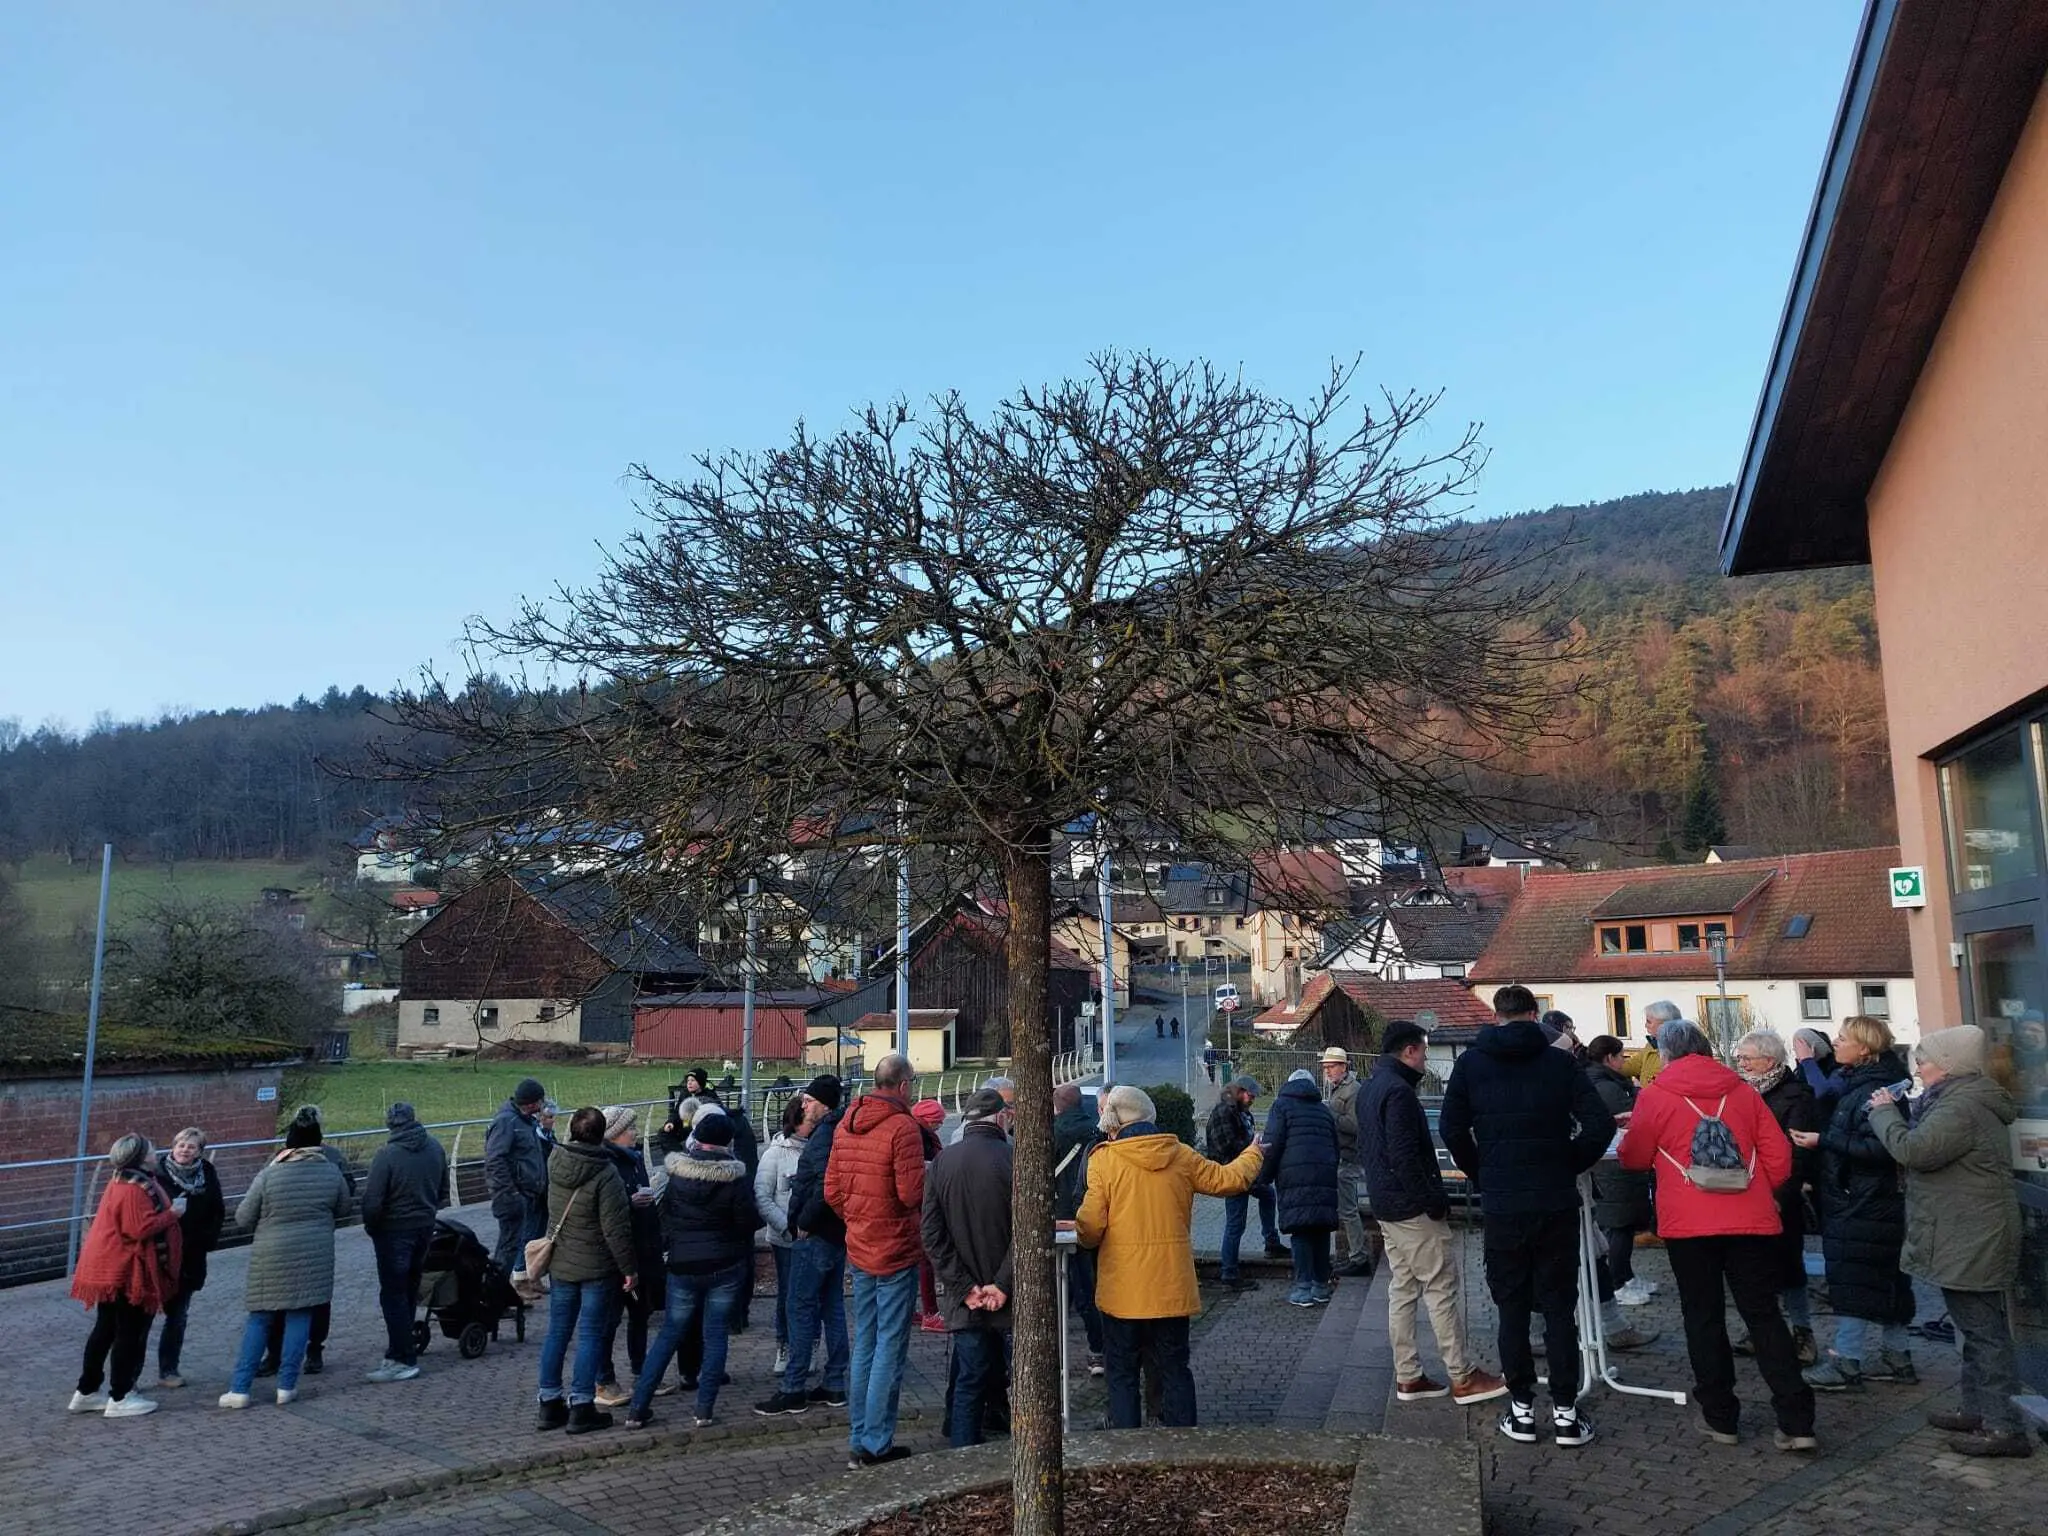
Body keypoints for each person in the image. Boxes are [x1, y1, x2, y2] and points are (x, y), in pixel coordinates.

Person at [1618, 1020, 1816, 1453]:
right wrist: (1762, 1191)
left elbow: (1633, 1157)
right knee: (1764, 1315)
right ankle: (1797, 1419)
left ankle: (1721, 1416)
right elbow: (1779, 1156)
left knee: (1703, 1318)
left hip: (1689, 1224)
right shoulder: (1743, 1091)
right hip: (1750, 1219)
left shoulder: (1656, 1095)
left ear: (1666, 1054)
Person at [1439, 984, 1614, 1449]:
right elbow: (1600, 1124)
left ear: (1496, 1016)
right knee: (1559, 1307)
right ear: (1536, 1014)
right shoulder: (1560, 1063)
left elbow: (1451, 1127)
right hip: (1554, 1199)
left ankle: (1520, 1409)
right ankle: (1565, 1413)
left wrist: (1482, 1172)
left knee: (1511, 1307)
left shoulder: (1471, 1063)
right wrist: (1568, 1161)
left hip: (1503, 1203)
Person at [1868, 1025, 2032, 1458]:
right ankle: (1979, 1410)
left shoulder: (1961, 1106)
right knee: (1974, 1329)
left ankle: (2003, 1425)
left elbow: (1916, 1151)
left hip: (1972, 1232)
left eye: (1924, 1060)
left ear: (1949, 1065)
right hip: (1966, 1229)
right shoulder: (1960, 1099)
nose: (1918, 1068)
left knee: (1984, 1333)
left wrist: (1884, 1112)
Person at [1075, 1085, 1263, 1429]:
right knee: (1174, 1367)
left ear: (1115, 1122)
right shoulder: (1180, 1154)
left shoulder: (1104, 1160)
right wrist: (1252, 1154)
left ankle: (1125, 1446)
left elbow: (1089, 1227)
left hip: (1123, 1292)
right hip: (1171, 1288)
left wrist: (1081, 1233)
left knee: (1122, 1373)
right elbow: (1229, 1180)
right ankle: (1180, 1445)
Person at [1358, 1022, 1507, 1406]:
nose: (1426, 1058)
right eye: (1423, 1050)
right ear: (1408, 1051)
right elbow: (1405, 1156)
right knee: (1441, 1287)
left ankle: (1408, 1375)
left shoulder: (1370, 1087)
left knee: (1403, 1289)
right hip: (1411, 1209)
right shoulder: (1399, 1093)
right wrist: (1432, 1201)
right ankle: (1463, 1376)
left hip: (1385, 1205)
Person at [1792, 1014, 1916, 1392]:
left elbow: (1882, 1148)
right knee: (1885, 1277)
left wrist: (1823, 1142)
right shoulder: (1862, 1083)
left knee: (1853, 1279)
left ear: (1863, 1048)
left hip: (1862, 1199)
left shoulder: (1873, 1091)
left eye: (1843, 1037)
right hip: (1867, 1198)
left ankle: (1847, 1362)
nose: (1836, 1041)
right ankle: (1897, 1356)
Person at [626, 1108, 761, 1429]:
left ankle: (637, 1407)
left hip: (683, 1264)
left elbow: (666, 1216)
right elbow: (748, 1222)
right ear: (727, 1141)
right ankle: (704, 1409)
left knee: (669, 1333)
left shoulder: (677, 1174)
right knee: (715, 1336)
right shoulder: (736, 1177)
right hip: (724, 1265)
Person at [824, 1052, 927, 1468]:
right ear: (903, 1085)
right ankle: (876, 1441)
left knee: (864, 1341)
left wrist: (858, 1218)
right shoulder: (904, 1127)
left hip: (860, 1245)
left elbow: (831, 1190)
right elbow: (911, 1194)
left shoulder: (846, 1123)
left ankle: (859, 1436)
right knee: (889, 1345)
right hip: (895, 1247)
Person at [220, 1126, 349, 1409]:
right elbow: (344, 1209)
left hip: (271, 1255)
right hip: (315, 1255)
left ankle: (240, 1389)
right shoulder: (331, 1172)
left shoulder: (270, 1173)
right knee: (300, 1317)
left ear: (289, 1146)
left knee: (260, 1319)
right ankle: (286, 1387)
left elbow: (243, 1217)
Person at [533, 1107, 638, 1434]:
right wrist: (629, 1269)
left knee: (558, 1331)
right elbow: (615, 1229)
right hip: (595, 1266)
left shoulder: (555, 1161)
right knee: (591, 1333)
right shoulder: (605, 1174)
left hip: (562, 1262)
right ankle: (581, 1405)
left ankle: (549, 1403)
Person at [753, 1075, 852, 1418]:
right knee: (831, 1306)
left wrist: (804, 1223)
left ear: (821, 1103)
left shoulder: (826, 1134)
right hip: (835, 1233)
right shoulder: (840, 1129)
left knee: (800, 1306)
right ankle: (835, 1384)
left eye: (808, 1099)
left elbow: (824, 1182)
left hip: (816, 1235)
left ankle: (793, 1387)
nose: (803, 1104)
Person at [923, 1087, 1015, 1447]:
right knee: (1020, 1378)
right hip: (1011, 1297)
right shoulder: (1014, 1159)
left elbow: (931, 1234)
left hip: (967, 1300)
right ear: (1001, 1118)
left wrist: (964, 1287)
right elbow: (1028, 1232)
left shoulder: (943, 1161)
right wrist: (1002, 1284)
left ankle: (962, 1458)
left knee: (968, 1381)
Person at [68, 1133, 184, 1419]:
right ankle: (120, 1395)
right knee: (128, 1332)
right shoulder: (134, 1187)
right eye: (151, 1149)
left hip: (108, 1264)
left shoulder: (120, 1180)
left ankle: (86, 1391)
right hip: (125, 1269)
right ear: (140, 1157)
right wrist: (174, 1213)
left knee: (105, 1329)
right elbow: (138, 1229)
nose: (156, 1152)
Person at [1732, 1030, 1820, 1365]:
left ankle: (1802, 1333)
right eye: (1740, 1058)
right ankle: (1763, 1329)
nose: (1741, 1064)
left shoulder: (1796, 1096)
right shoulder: (1741, 1092)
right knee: (1753, 1267)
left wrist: (1782, 1193)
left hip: (1780, 1193)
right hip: (1746, 1191)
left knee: (1789, 1267)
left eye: (1746, 1059)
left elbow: (1797, 1152)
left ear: (1768, 1061)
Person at [259, 1106, 356, 1377]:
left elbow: (258, 1199)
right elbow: (347, 1196)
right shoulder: (333, 1158)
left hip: (280, 1241)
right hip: (318, 1238)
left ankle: (277, 1354)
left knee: (278, 1298)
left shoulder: (276, 1161)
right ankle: (312, 1350)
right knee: (317, 1296)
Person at [360, 1102, 449, 1383]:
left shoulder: (387, 1156)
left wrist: (373, 1227)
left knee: (393, 1294)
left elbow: (372, 1201)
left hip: (393, 1231)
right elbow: (443, 1190)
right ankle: (402, 1348)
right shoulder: (435, 1148)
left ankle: (402, 1356)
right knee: (409, 1290)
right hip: (424, 1226)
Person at [594, 1105, 664, 1407]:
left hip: (643, 1250)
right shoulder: (604, 1164)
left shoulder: (635, 1160)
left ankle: (642, 1371)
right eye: (629, 1129)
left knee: (641, 1314)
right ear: (613, 1135)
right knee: (608, 1321)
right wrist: (629, 1202)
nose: (635, 1133)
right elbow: (604, 1212)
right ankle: (604, 1380)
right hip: (616, 1256)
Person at [1582, 1036, 1657, 1308]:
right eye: (1621, 1055)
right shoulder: (1605, 1087)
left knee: (1624, 1223)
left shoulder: (1609, 1082)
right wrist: (1637, 1095)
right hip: (1611, 1163)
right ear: (1608, 1058)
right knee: (1618, 1226)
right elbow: (1633, 1112)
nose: (1624, 1060)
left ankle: (1625, 1276)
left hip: (1619, 1161)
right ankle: (1617, 1282)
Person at [151, 1125, 224, 1390]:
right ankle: (130, 1376)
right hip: (160, 1256)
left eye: (191, 1147)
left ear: (199, 1152)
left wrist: (206, 1240)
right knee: (143, 1316)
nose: (184, 1150)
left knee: (178, 1316)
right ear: (172, 1146)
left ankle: (168, 1368)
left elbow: (217, 1209)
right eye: (181, 1144)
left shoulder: (207, 1173)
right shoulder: (156, 1174)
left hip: (191, 1256)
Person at [1260, 1068, 1341, 1306]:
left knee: (1301, 1230)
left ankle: (1303, 1287)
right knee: (1321, 1230)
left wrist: (1263, 1176)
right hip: (1324, 1175)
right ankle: (1321, 1286)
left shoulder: (1281, 1106)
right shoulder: (1324, 1110)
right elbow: (1335, 1147)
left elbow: (1272, 1143)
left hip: (1294, 1175)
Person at [1207, 1075, 1285, 1290]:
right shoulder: (1224, 1112)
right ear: (1240, 1092)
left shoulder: (1238, 1111)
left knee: (1267, 1195)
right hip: (1232, 1172)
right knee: (1236, 1223)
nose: (1252, 1100)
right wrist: (1254, 1148)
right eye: (1251, 1096)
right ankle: (1229, 1274)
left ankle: (1271, 1242)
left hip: (1244, 1171)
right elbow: (1227, 1146)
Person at [754, 1094, 811, 1378]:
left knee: (812, 1295)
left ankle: (808, 1345)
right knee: (788, 1295)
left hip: (814, 1237)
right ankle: (784, 1345)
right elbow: (763, 1197)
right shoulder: (774, 1153)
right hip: (786, 1240)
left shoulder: (821, 1149)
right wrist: (786, 1228)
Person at [1053, 1082, 1106, 1373]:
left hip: (1061, 1216)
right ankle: (1098, 1351)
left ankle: (1054, 1350)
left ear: (1058, 1105)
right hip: (1093, 1213)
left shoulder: (1051, 1130)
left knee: (1064, 1285)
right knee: (1090, 1285)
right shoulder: (1098, 1132)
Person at [1318, 1046, 1376, 1277]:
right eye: (1325, 1068)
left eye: (1331, 1067)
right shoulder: (1341, 1088)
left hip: (1348, 1156)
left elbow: (1355, 1126)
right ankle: (1355, 1256)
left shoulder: (1353, 1090)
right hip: (1341, 1155)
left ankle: (1358, 1257)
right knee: (1346, 1208)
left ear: (1343, 1067)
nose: (1327, 1071)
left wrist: (1330, 1115)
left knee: (1348, 1210)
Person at [486, 1078, 551, 1279]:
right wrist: (511, 1193)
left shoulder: (525, 1122)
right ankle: (496, 1294)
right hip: (513, 1197)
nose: (543, 1105)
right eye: (541, 1101)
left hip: (528, 1192)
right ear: (532, 1103)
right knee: (508, 1247)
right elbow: (495, 1160)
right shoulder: (507, 1122)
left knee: (514, 1244)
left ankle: (507, 1289)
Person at [910, 1096, 949, 1333]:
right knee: (925, 1260)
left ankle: (912, 1310)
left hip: (918, 1205)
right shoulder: (922, 1138)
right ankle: (930, 1312)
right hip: (923, 1205)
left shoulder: (917, 1133)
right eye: (937, 1122)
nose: (939, 1127)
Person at [1624, 1000, 1681, 1085]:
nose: (1645, 1025)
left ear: (1664, 1025)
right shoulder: (1652, 1045)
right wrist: (1604, 1065)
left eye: (1649, 1022)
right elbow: (1631, 1066)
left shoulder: (1680, 1050)